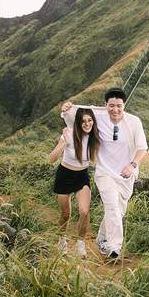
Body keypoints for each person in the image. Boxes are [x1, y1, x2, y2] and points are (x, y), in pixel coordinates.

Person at [60, 87, 148, 261]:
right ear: (105, 105)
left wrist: (132, 165)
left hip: (126, 175)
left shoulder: (134, 122)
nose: (115, 110)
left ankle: (102, 239)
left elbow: (142, 148)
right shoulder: (98, 118)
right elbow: (78, 119)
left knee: (118, 211)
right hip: (104, 173)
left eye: (119, 106)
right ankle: (115, 248)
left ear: (124, 105)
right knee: (112, 207)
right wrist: (68, 109)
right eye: (111, 106)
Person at [49, 107, 99, 256]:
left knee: (84, 211)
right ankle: (62, 240)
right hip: (64, 175)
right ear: (78, 122)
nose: (87, 123)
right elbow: (51, 159)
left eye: (90, 120)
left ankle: (80, 243)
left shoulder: (94, 137)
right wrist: (63, 144)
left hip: (82, 176)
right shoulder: (69, 134)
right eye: (83, 121)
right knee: (65, 214)